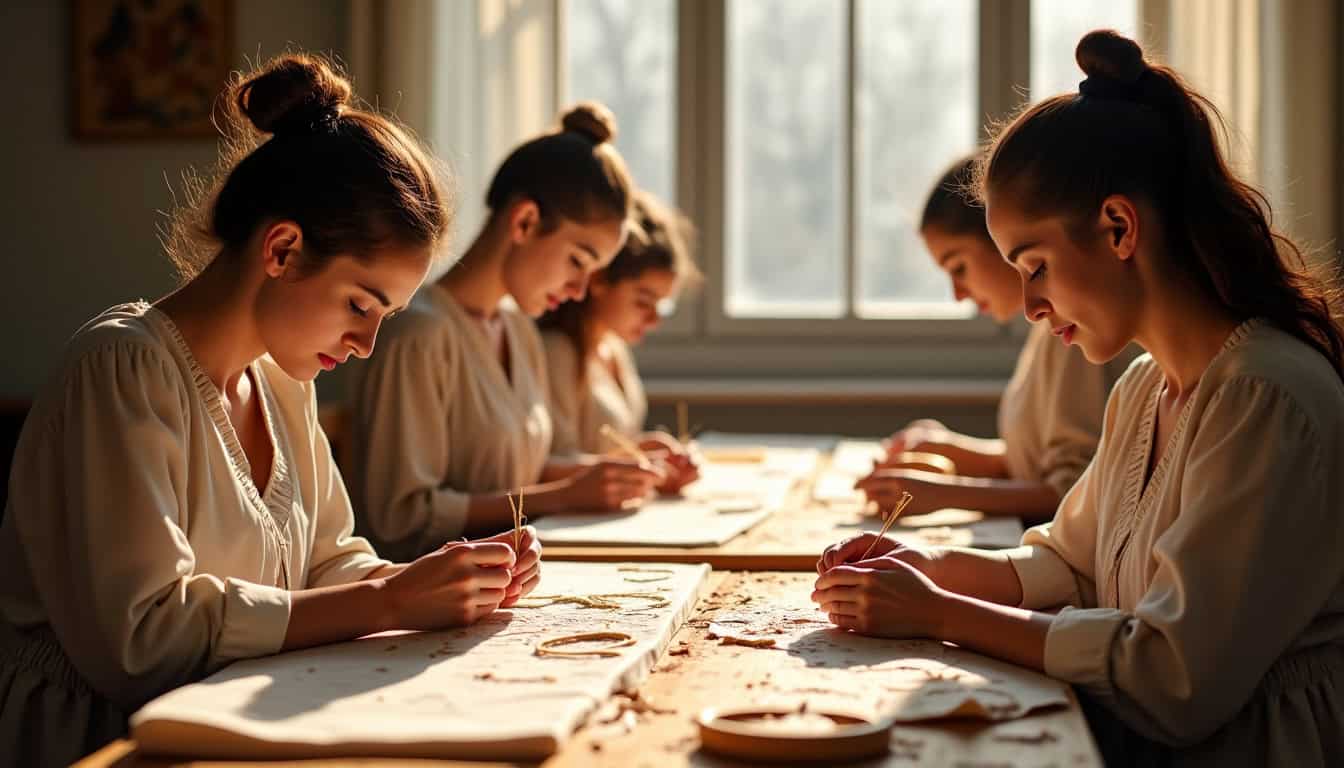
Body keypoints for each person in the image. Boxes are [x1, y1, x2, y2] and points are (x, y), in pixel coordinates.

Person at [813, 30, 1344, 765]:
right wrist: (927, 564)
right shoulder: (1144, 386)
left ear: (1119, 228)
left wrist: (939, 613)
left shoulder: (1263, 397)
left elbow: (1173, 678)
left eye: (1035, 266)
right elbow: (1069, 564)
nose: (1030, 305)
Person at [0, 54, 541, 766]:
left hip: (232, 721)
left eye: (385, 317)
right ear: (282, 249)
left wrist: (442, 579)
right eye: (360, 305)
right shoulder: (120, 368)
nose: (367, 345)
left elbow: (327, 564)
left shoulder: (282, 379)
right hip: (104, 743)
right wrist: (388, 603)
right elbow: (140, 643)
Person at [349, 102, 663, 561]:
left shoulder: (518, 329)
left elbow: (521, 471)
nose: (579, 290)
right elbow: (402, 518)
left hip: (513, 574)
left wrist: (619, 470)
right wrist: (562, 497)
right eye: (577, 261)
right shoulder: (418, 335)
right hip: (436, 589)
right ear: (525, 222)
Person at [862, 156, 1137, 523]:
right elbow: (1035, 462)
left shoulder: (1079, 334)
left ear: (1001, 241)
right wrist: (952, 450)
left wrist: (945, 494)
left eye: (959, 268)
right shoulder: (1047, 329)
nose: (958, 294)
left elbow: (1075, 491)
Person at [539, 188, 703, 494]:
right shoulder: (556, 353)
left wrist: (646, 457)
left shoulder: (613, 348)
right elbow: (540, 469)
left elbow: (606, 450)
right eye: (643, 302)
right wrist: (639, 465)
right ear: (599, 279)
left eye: (662, 305)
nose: (654, 320)